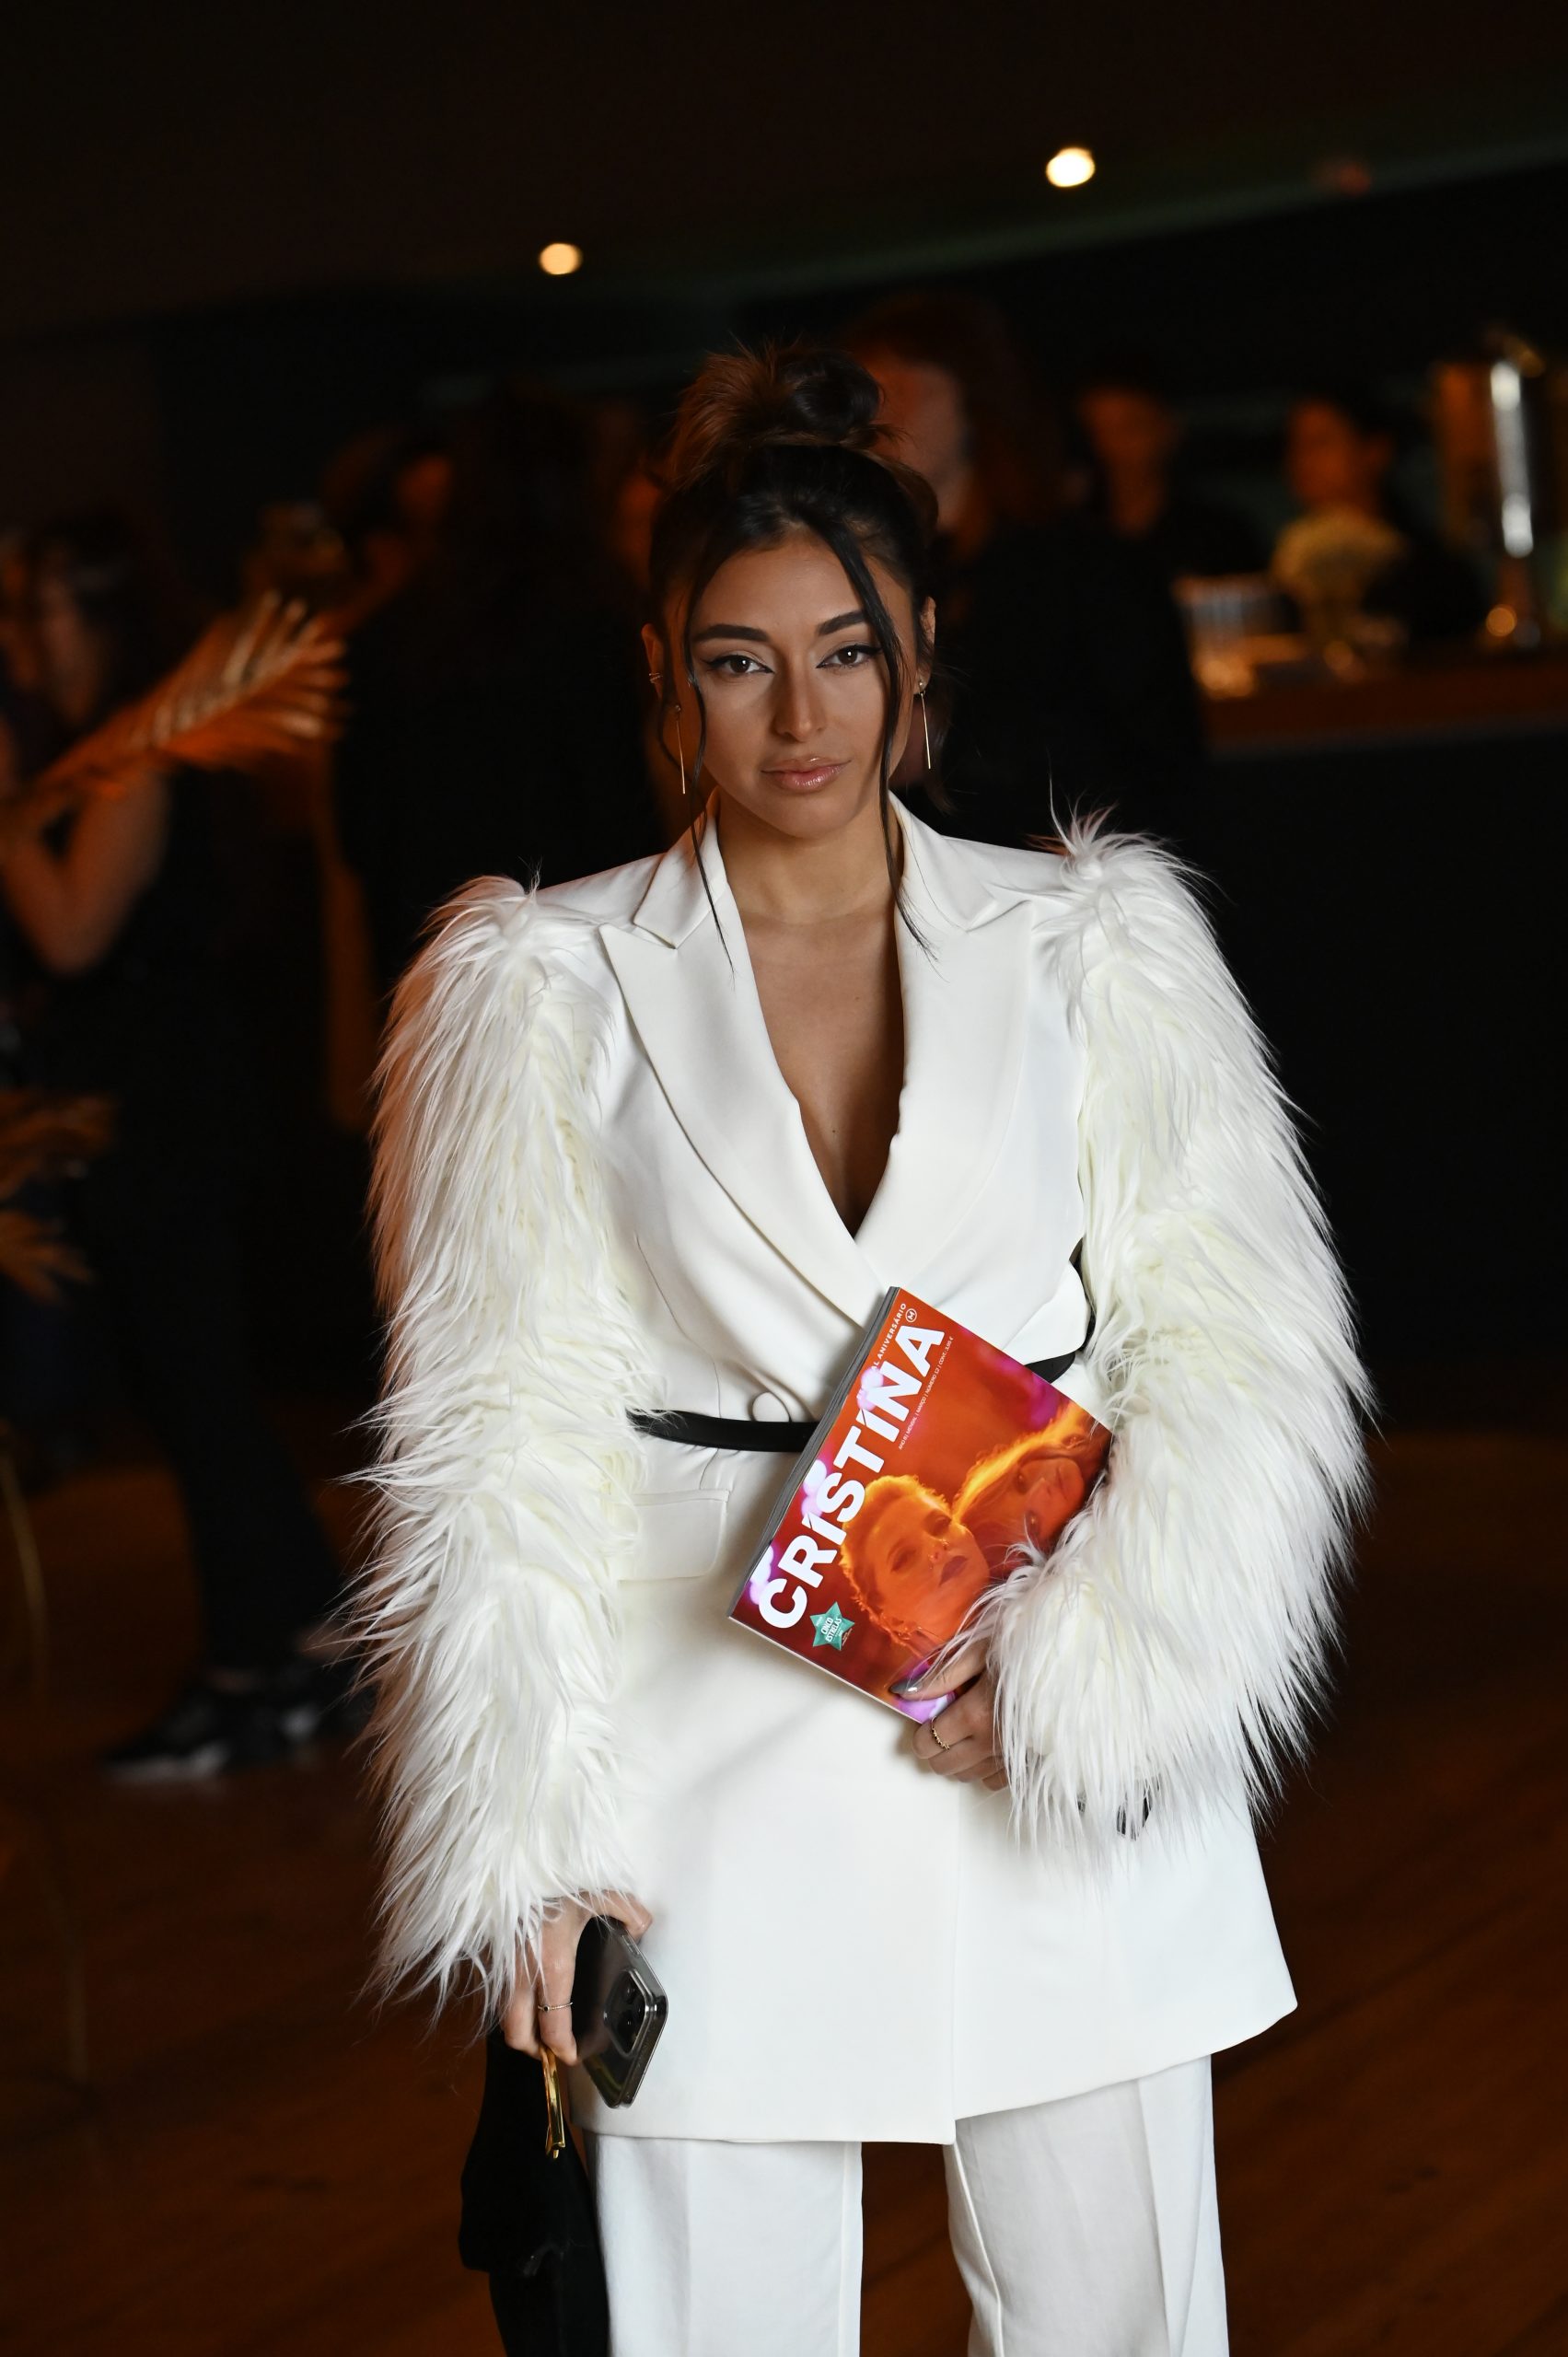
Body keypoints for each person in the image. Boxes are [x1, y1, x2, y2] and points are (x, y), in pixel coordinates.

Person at [354, 345, 1368, 2355]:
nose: (798, 715)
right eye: (739, 662)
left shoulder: (1091, 943)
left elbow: (1237, 1351)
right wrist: (532, 1831)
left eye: (843, 654)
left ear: (916, 666)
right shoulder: (534, 985)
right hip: (693, 1738)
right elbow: (490, 1429)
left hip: (1029, 1704)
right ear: (666, 675)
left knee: (1114, 2317)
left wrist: (1104, 1668)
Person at [0, 511, 345, 1774]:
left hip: (164, 1107)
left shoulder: (137, 756)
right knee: (188, 1390)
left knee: (197, 1391)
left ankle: (268, 1660)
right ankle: (294, 1647)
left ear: (99, 614)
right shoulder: (111, 749)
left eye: (38, 609)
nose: (22, 639)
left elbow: (74, 930)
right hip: (148, 1098)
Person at [332, 379, 661, 999]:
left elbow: (360, 834)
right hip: (577, 956)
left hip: (430, 958)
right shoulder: (599, 625)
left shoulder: (381, 637)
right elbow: (621, 814)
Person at [844, 291, 1205, 847]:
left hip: (1057, 871)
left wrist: (942, 741)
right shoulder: (865, 568)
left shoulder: (1085, 567)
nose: (881, 416)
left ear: (974, 399)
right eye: (868, 395)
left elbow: (1150, 764)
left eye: (904, 388)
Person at [1274, 385, 1485, 647]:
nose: (1303, 460)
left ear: (1375, 450)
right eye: (1295, 445)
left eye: (1320, 443)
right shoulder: (1289, 566)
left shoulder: (1431, 572)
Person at [1076, 355, 1266, 586]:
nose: (1111, 447)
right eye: (1097, 431)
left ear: (1169, 429)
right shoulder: (1072, 536)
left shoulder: (1220, 536)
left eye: (1130, 428)